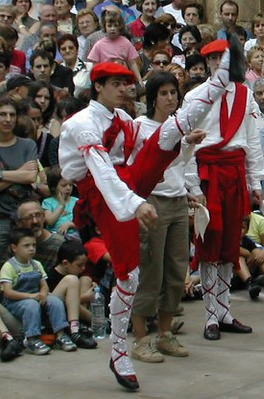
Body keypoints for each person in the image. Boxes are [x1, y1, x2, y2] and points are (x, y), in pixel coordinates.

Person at [59, 56, 232, 391]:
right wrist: (134, 202)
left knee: (168, 132)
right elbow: (101, 170)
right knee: (131, 274)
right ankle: (121, 349)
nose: (124, 90)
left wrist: (177, 148)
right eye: (115, 84)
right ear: (98, 87)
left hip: (127, 180)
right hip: (101, 190)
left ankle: (218, 83)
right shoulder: (83, 123)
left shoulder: (123, 118)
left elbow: (150, 147)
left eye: (126, 84)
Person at [185, 38, 264, 343]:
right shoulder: (195, 97)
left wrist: (255, 182)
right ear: (207, 63)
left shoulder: (245, 94)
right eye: (214, 59)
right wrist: (194, 186)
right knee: (209, 245)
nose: (220, 63)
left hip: (234, 172)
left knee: (231, 243)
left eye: (225, 58)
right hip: (208, 174)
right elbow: (188, 145)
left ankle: (225, 310)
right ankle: (210, 315)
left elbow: (252, 139)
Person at [130, 71, 205, 364]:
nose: (170, 98)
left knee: (176, 270)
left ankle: (165, 333)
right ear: (152, 98)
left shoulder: (178, 127)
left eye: (173, 92)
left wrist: (190, 189)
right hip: (151, 202)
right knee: (151, 271)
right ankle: (141, 338)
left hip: (177, 201)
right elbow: (135, 166)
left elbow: (181, 164)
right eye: (163, 93)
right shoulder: (140, 127)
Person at [0, 96, 40, 290]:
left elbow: (31, 176)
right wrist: (19, 173)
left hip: (23, 218)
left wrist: (0, 175)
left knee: (25, 270)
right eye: (3, 114)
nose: (8, 119)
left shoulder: (27, 145)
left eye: (12, 115)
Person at [0, 227, 76, 355]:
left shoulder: (36, 264)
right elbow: (8, 293)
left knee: (55, 301)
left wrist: (43, 295)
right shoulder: (9, 266)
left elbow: (44, 285)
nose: (31, 249)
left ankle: (61, 335)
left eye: (34, 245)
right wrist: (31, 296)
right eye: (26, 246)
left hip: (35, 297)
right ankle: (32, 339)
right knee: (31, 304)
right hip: (16, 302)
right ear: (14, 248)